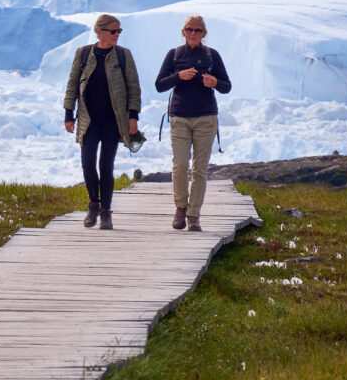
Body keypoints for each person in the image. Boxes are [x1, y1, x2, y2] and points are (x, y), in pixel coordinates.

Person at [64, 14, 141, 230]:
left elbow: (134, 88)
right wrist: (68, 114)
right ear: (99, 31)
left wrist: (133, 118)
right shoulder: (84, 53)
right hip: (88, 120)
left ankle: (106, 211)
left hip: (112, 121)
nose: (116, 35)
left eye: (119, 31)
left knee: (106, 165)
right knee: (87, 163)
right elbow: (72, 85)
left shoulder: (123, 55)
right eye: (112, 31)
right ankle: (92, 205)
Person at [155, 15, 231, 231]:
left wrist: (215, 82)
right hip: (179, 117)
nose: (193, 33)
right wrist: (179, 76)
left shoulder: (212, 55)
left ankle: (194, 215)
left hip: (206, 117)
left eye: (198, 30)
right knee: (180, 165)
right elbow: (160, 85)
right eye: (189, 29)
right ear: (183, 31)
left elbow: (227, 86)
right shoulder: (174, 55)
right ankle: (180, 207)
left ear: (204, 34)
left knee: (199, 169)